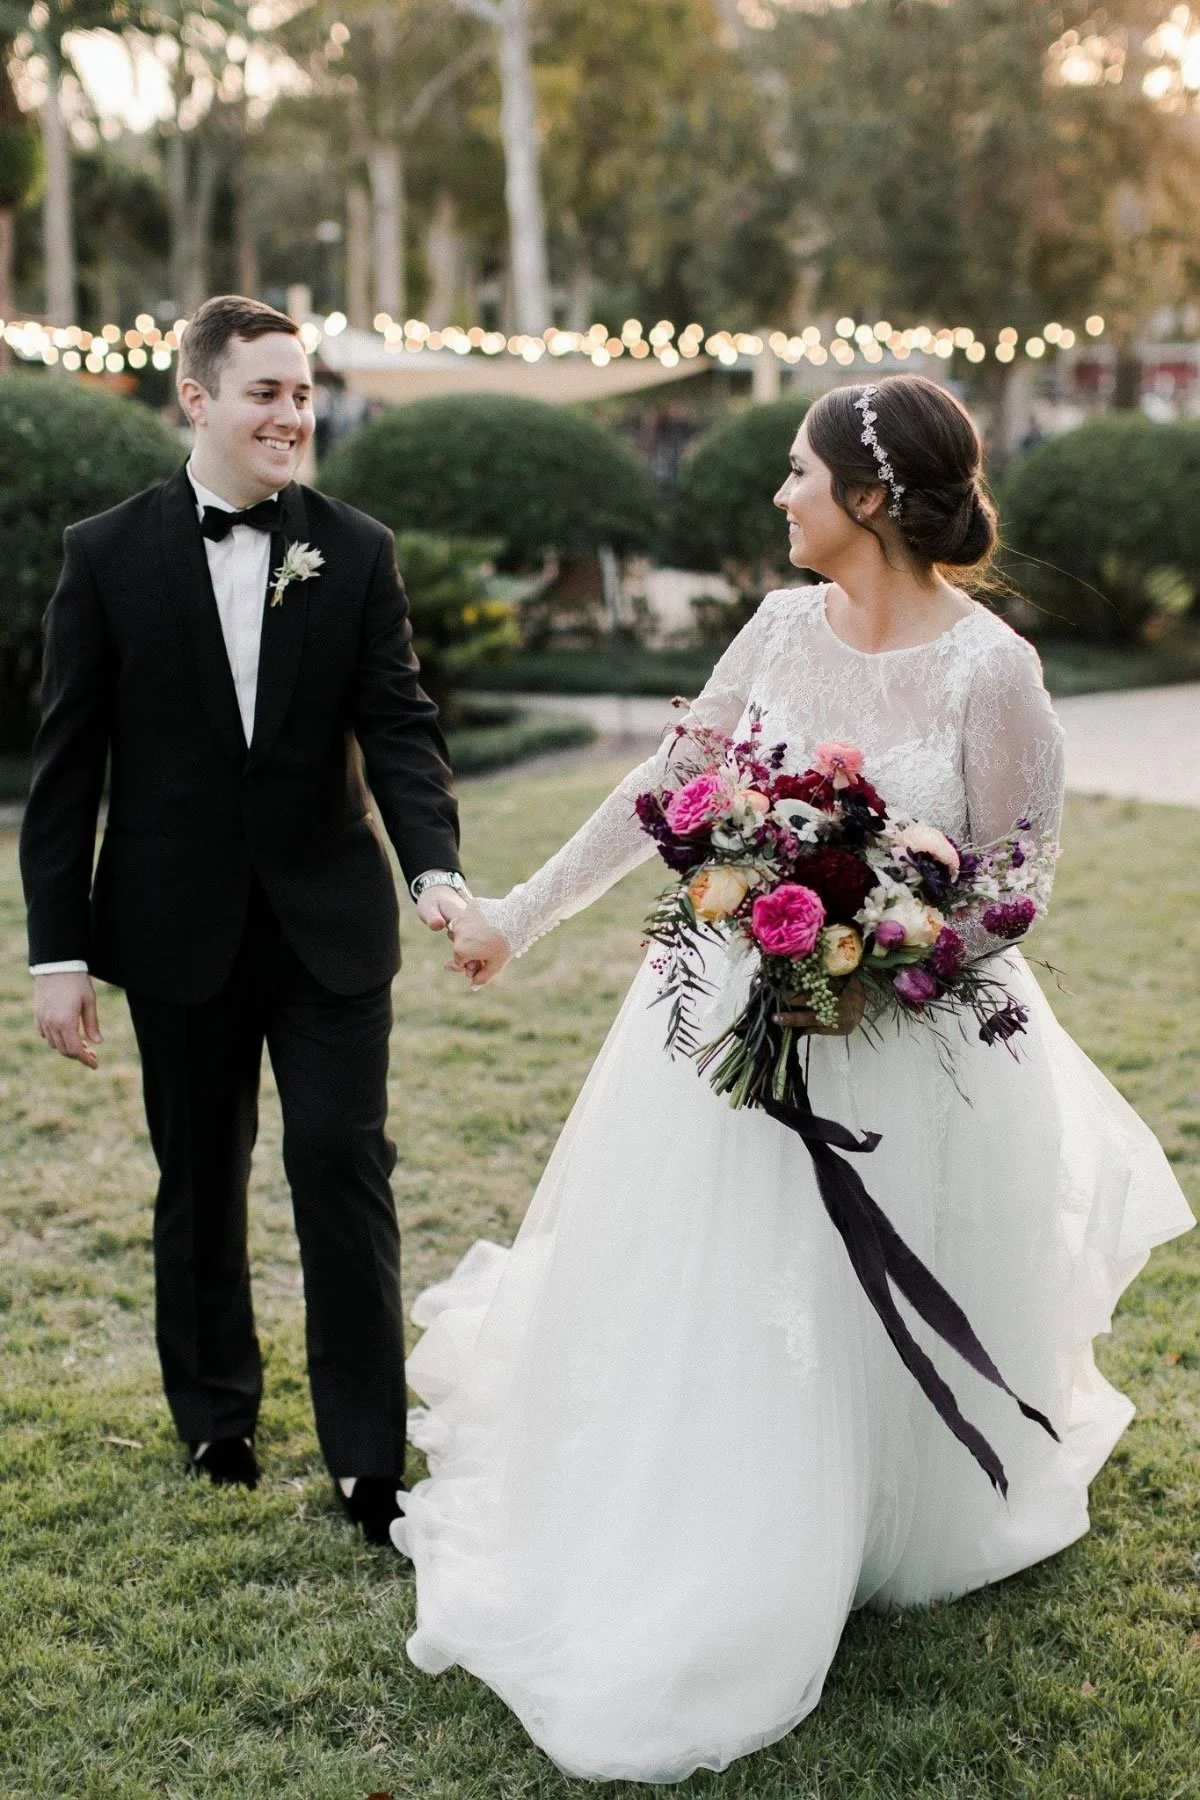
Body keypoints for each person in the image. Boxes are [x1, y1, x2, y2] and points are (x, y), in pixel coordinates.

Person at [400, 375, 1194, 1783]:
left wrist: (888, 956)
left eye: (798, 475)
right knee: (727, 1281)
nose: (779, 496)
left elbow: (1017, 880)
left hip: (908, 1044)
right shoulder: (773, 628)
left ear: (871, 498)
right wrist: (518, 918)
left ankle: (892, 1504)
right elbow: (672, 788)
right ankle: (732, 1502)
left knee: (869, 1293)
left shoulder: (990, 668)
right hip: (723, 1028)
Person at [20, 294, 473, 1547]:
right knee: (199, 1179)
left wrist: (433, 870)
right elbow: (66, 773)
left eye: (302, 390)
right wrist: (57, 955)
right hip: (173, 930)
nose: (293, 413)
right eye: (267, 391)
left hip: (330, 925)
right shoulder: (105, 555)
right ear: (198, 399)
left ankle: (367, 1461)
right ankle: (217, 1417)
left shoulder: (358, 549)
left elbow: (399, 728)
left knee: (343, 1170)